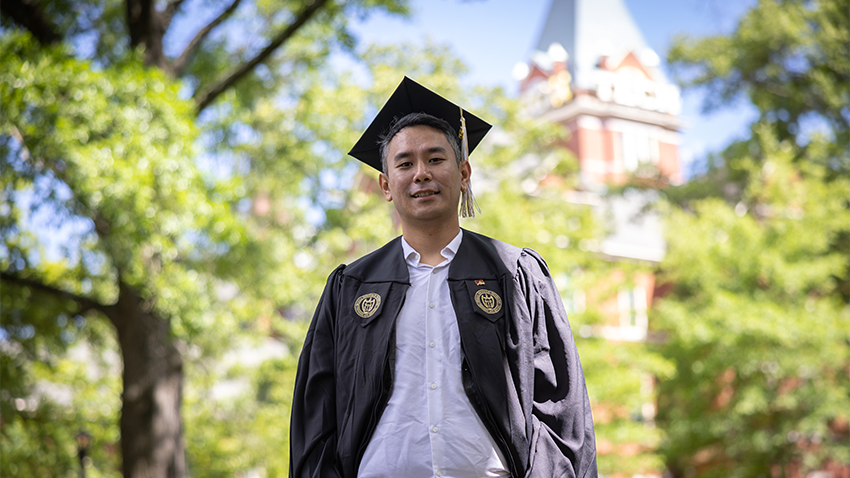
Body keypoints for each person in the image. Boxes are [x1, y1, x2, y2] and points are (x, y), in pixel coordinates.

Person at [290, 77, 597, 478]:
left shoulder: (515, 274)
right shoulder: (351, 287)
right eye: (404, 163)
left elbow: (561, 408)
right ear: (386, 185)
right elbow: (318, 417)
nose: (420, 174)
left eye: (435, 159)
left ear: (464, 172)